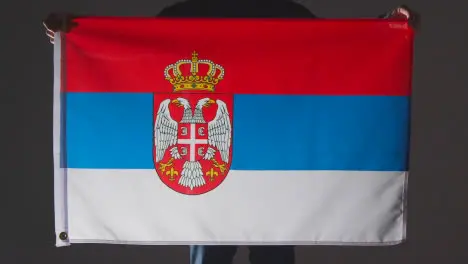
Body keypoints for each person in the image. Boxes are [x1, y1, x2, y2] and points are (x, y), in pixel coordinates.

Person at [42, 1, 419, 263]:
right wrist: (73, 37)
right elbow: (128, 51)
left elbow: (336, 55)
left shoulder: (287, 13)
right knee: (210, 254)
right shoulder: (183, 15)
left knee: (273, 254)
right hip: (209, 175)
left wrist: (386, 28)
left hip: (272, 167)